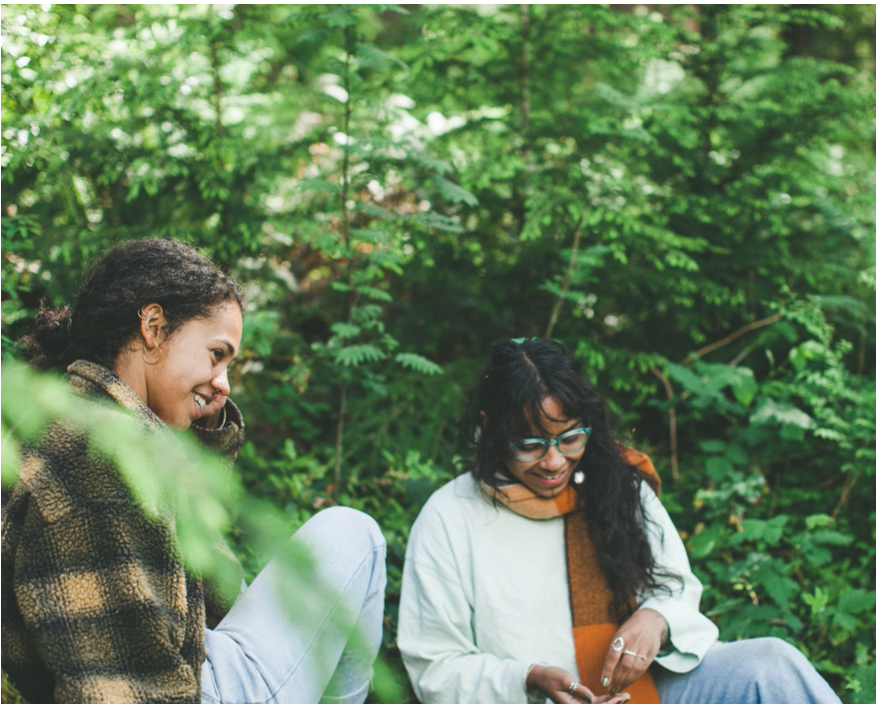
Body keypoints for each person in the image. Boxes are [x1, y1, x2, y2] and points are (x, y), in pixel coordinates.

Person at [2, 238, 386, 704]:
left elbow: (214, 592)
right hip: (187, 692)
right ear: (154, 327)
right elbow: (112, 683)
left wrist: (201, 434)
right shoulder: (102, 459)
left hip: (189, 667)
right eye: (217, 354)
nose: (224, 382)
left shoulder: (69, 417)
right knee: (352, 533)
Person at [397, 337, 842, 704]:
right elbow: (436, 664)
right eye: (530, 445)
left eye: (570, 438)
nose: (554, 462)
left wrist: (655, 620)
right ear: (490, 426)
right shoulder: (449, 517)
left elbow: (676, 588)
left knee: (772, 666)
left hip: (646, 693)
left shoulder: (617, 484)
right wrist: (528, 678)